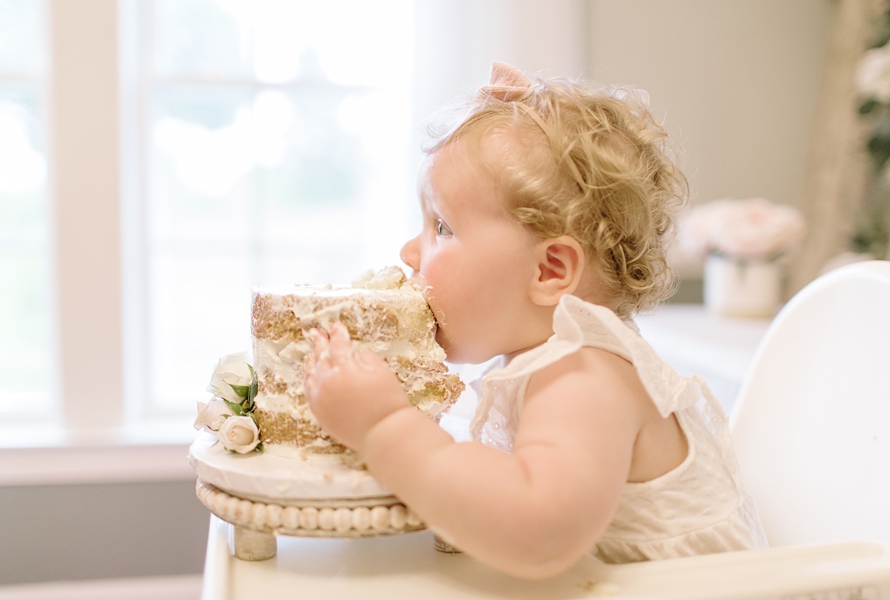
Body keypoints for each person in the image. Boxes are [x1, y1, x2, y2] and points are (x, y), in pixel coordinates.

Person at [304, 61, 767, 579]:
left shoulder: (585, 375)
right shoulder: (544, 359)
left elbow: (536, 532)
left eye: (442, 227)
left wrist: (384, 425)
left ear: (549, 270)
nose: (411, 250)